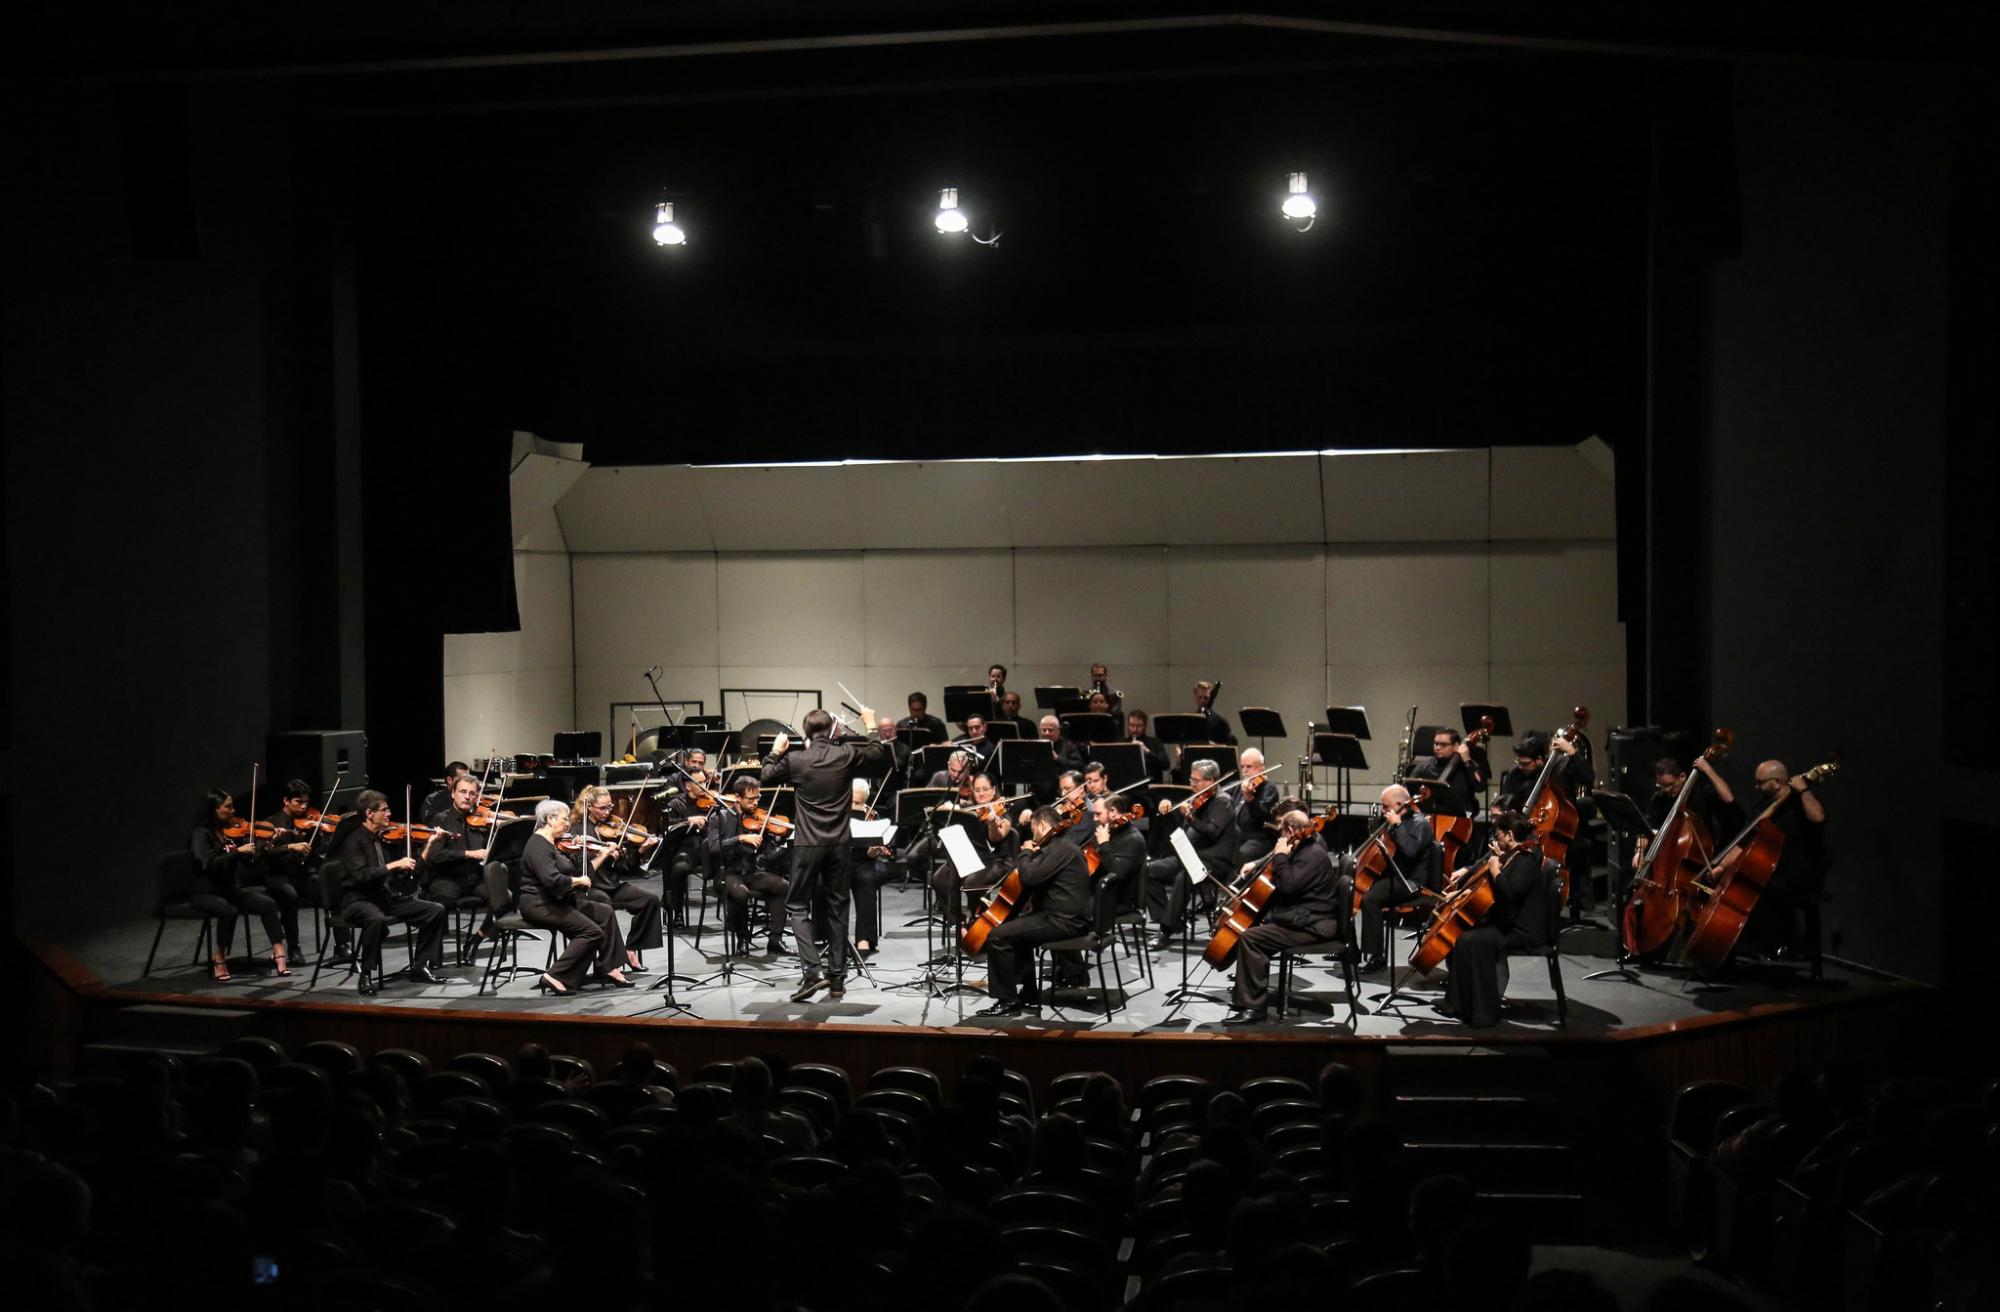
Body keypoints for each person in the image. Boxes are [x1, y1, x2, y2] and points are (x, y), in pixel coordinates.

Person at [759, 703, 890, 1003]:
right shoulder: (844, 755)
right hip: (839, 846)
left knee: (797, 907)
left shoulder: (796, 760)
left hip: (807, 845)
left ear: (805, 733)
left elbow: (765, 776)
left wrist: (776, 750)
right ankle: (837, 980)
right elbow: (877, 755)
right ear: (832, 730)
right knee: (838, 908)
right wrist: (870, 725)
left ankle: (812, 972)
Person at [1221, 809, 1342, 1025]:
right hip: (1305, 918)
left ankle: (1253, 1008)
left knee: (1251, 938)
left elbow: (1288, 886)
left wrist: (1279, 856)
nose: (1280, 838)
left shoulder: (1312, 854)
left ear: (1292, 831)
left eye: (1282, 832)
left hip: (1313, 925)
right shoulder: (1305, 848)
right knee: (1258, 931)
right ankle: (1249, 998)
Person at [1436, 811, 1554, 1027]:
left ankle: (1483, 1013)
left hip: (1523, 930)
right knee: (1464, 937)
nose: (1497, 840)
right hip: (1508, 922)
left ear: (1509, 835)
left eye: (1499, 835)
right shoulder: (1516, 854)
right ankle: (1460, 1003)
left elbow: (1510, 892)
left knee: (1472, 940)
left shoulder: (1528, 857)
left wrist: (1495, 870)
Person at [974, 806, 1092, 1018]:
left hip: (1064, 920)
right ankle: (1029, 992)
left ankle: (1007, 1000)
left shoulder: (1059, 849)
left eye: (1035, 830)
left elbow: (1030, 877)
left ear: (1043, 825)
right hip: (1060, 916)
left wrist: (1026, 852)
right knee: (1017, 932)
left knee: (998, 936)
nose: (1034, 835)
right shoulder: (1062, 847)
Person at [331, 790, 447, 994]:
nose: (389, 814)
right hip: (357, 900)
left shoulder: (386, 839)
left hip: (383, 898)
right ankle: (365, 974)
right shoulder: (354, 841)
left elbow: (407, 876)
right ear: (369, 813)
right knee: (375, 919)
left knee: (435, 910)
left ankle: (420, 966)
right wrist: (393, 866)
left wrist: (428, 847)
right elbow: (360, 877)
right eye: (384, 810)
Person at [519, 798, 632, 994]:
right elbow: (552, 880)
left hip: (557, 899)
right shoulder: (538, 845)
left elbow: (566, 869)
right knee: (592, 932)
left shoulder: (551, 843)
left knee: (604, 911)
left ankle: (608, 967)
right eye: (564, 819)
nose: (568, 823)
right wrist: (577, 881)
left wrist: (593, 855)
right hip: (539, 903)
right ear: (551, 819)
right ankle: (554, 975)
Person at [189, 789, 292, 979]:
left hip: (228, 890)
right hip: (205, 892)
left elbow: (247, 862)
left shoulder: (224, 833)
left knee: (267, 904)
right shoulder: (200, 835)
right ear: (214, 809)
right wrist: (238, 852)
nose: (233, 810)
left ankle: (279, 952)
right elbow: (209, 864)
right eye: (228, 806)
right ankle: (219, 957)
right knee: (228, 911)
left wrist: (261, 847)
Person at [1738, 760, 1829, 957]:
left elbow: (1818, 818)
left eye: (1760, 782)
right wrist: (1719, 868)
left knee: (1768, 891)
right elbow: (1744, 843)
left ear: (1778, 782)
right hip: (1772, 871)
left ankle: (1788, 944)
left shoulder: (1801, 802)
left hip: (1799, 874)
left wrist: (1804, 790)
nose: (1756, 787)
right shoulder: (1761, 807)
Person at [572, 785, 666, 973]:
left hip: (610, 883)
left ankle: (632, 948)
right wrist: (605, 854)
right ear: (589, 806)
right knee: (604, 904)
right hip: (590, 886)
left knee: (650, 900)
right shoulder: (578, 830)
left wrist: (640, 851)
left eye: (610, 807)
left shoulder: (615, 828)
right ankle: (608, 963)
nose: (608, 812)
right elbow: (579, 868)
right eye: (603, 808)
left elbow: (626, 868)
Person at [1144, 758, 1238, 946]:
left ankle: (1165, 930)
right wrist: (1167, 806)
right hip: (1190, 857)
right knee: (1149, 870)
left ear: (1210, 781)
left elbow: (1211, 833)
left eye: (1196, 780)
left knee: (1183, 878)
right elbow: (1183, 833)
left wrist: (1190, 817)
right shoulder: (1198, 799)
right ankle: (1172, 920)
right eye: (1191, 779)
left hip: (1214, 861)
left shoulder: (1223, 802)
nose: (1192, 784)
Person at [1357, 784, 1441, 974]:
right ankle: (1351, 949)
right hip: (1394, 876)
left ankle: (1377, 956)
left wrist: (1396, 825)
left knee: (1371, 898)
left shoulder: (1421, 824)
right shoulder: (1395, 817)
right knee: (1350, 887)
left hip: (1412, 883)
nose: (1383, 810)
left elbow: (1410, 851)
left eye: (1386, 806)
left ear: (1399, 804)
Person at [705, 777, 790, 956]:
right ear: (737, 798)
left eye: (757, 798)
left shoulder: (758, 818)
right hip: (727, 872)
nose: (755, 803)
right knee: (740, 893)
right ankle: (742, 939)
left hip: (750, 871)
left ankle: (775, 940)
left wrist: (775, 840)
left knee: (783, 886)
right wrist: (740, 838)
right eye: (750, 800)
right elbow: (713, 847)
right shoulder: (718, 817)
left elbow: (766, 852)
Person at [255, 778, 317, 964]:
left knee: (329, 886)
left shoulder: (309, 822)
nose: (304, 806)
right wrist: (290, 846)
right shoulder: (271, 823)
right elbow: (261, 853)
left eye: (306, 802)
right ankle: (294, 947)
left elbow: (317, 855)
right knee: (289, 895)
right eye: (299, 802)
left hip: (301, 874)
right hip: (277, 876)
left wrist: (318, 837)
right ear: (286, 801)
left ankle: (342, 944)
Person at [1405, 729, 1489, 820]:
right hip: (1429, 817)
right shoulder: (1425, 766)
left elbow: (1480, 786)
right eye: (1436, 743)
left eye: (1443, 745)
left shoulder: (1467, 765)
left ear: (1456, 746)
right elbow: (1410, 788)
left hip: (1461, 818)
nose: (1437, 748)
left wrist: (1467, 760)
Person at [1231, 748, 1281, 866]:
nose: (1244, 771)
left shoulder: (1269, 789)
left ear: (1261, 768)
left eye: (1249, 767)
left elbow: (1261, 818)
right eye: (1242, 767)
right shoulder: (1240, 787)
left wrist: (1250, 799)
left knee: (1242, 854)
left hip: (1259, 838)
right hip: (1239, 837)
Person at [1193, 680, 1237, 746]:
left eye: (1206, 698)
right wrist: (1179, 749)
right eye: (1200, 697)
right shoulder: (1191, 719)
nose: (1202, 700)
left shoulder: (1220, 721)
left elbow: (1229, 746)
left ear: (1210, 698)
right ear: (1196, 697)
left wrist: (1212, 745)